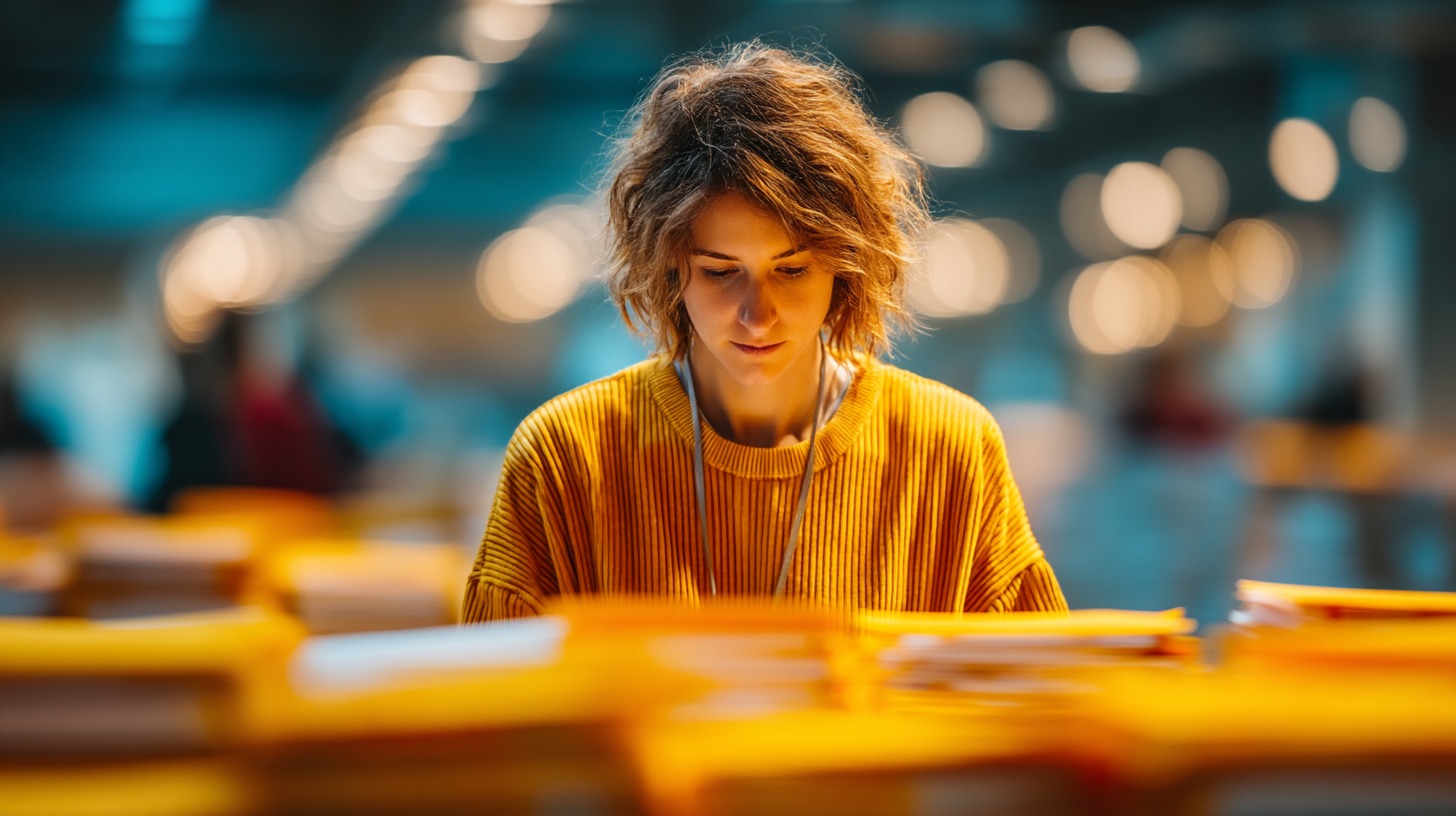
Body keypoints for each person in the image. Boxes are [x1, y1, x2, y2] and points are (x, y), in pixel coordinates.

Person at [463, 43, 1066, 622]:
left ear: (846, 267)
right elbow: (493, 685)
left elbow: (1046, 682)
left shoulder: (949, 450)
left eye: (792, 270)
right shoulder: (565, 457)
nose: (757, 314)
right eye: (720, 272)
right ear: (670, 267)